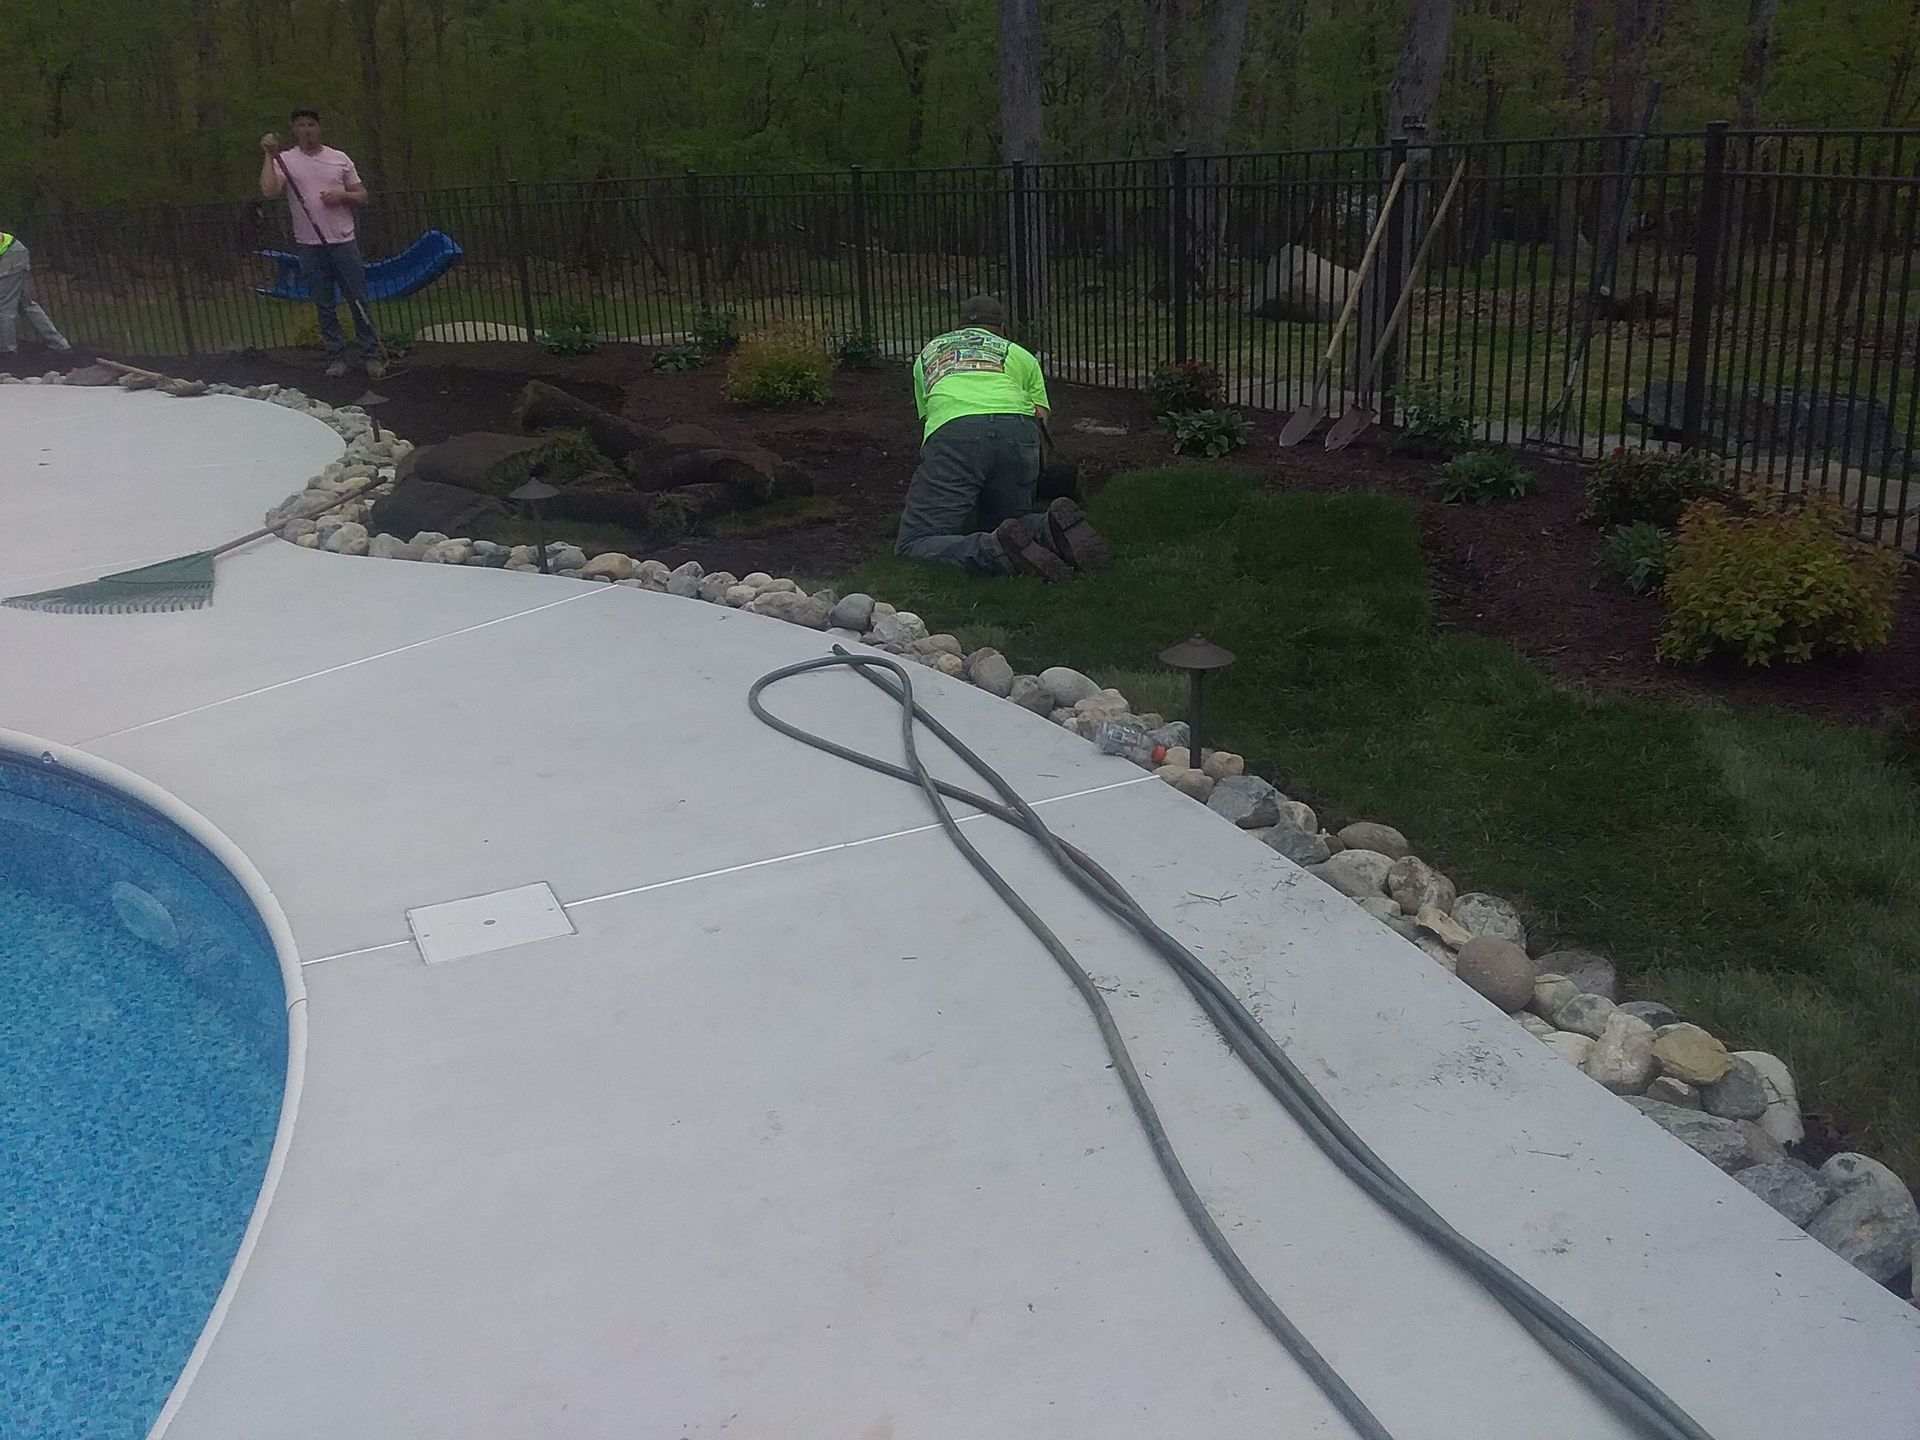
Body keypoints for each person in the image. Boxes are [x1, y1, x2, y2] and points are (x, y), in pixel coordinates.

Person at [896, 294, 1107, 580]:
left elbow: (930, 416)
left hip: (957, 430)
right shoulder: (1020, 354)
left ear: (958, 327)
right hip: (1017, 429)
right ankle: (1048, 528)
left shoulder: (930, 353)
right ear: (1002, 328)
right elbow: (1040, 416)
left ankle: (993, 550)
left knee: (916, 541)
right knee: (1009, 521)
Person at [259, 106, 382, 379]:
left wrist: (342, 195)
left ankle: (370, 354)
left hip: (343, 241)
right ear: (295, 129)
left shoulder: (338, 159)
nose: (307, 130)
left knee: (357, 299)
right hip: (309, 244)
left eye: (311, 125)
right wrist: (269, 155)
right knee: (324, 303)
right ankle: (336, 356)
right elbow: (269, 191)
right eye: (301, 125)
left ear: (319, 127)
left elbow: (362, 195)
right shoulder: (286, 160)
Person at [0, 229, 73, 358]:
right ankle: (59, 345)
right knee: (26, 305)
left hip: (10, 255)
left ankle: (7, 353)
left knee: (4, 306)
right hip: (12, 253)